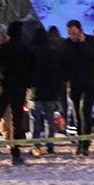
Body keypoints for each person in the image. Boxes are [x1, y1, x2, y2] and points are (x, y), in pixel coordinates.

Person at [0, 21, 35, 164]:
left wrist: (1, 72)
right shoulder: (26, 49)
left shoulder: (4, 48)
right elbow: (32, 67)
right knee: (16, 121)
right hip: (19, 88)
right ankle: (15, 153)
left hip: (3, 86)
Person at [60, 19, 94, 155]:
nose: (72, 37)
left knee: (84, 113)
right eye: (69, 34)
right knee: (77, 116)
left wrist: (83, 43)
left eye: (74, 33)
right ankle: (80, 142)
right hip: (74, 84)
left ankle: (85, 144)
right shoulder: (65, 44)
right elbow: (62, 63)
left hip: (88, 83)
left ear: (80, 31)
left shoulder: (91, 41)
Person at [28, 27, 63, 155]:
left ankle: (36, 145)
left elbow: (28, 71)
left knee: (35, 120)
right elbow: (58, 72)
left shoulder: (32, 51)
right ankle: (50, 145)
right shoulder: (54, 52)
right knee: (50, 120)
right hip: (51, 92)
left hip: (35, 91)